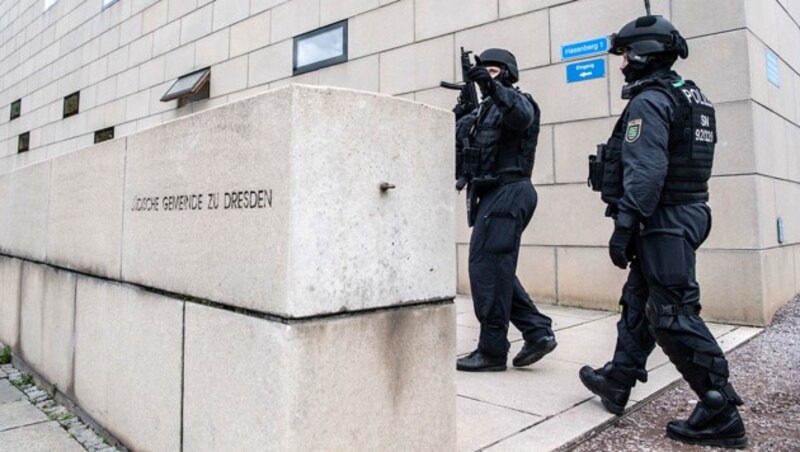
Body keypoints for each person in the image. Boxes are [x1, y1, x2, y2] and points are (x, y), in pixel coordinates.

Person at [582, 14, 747, 448]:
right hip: (682, 213)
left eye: (625, 56)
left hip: (663, 219)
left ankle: (720, 408)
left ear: (643, 54)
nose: (622, 65)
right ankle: (617, 380)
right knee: (641, 299)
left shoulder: (650, 101)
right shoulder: (690, 94)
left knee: (673, 314)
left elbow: (647, 168)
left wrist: (626, 221)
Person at [453, 48, 556, 372]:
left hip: (510, 191)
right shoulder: (482, 112)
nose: (486, 76)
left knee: (487, 270)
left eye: (494, 71)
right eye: (483, 72)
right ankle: (537, 332)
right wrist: (461, 114)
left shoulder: (518, 100)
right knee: (496, 270)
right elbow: (459, 147)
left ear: (508, 73)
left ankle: (492, 350)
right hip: (492, 195)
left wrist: (492, 87)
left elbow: (520, 116)